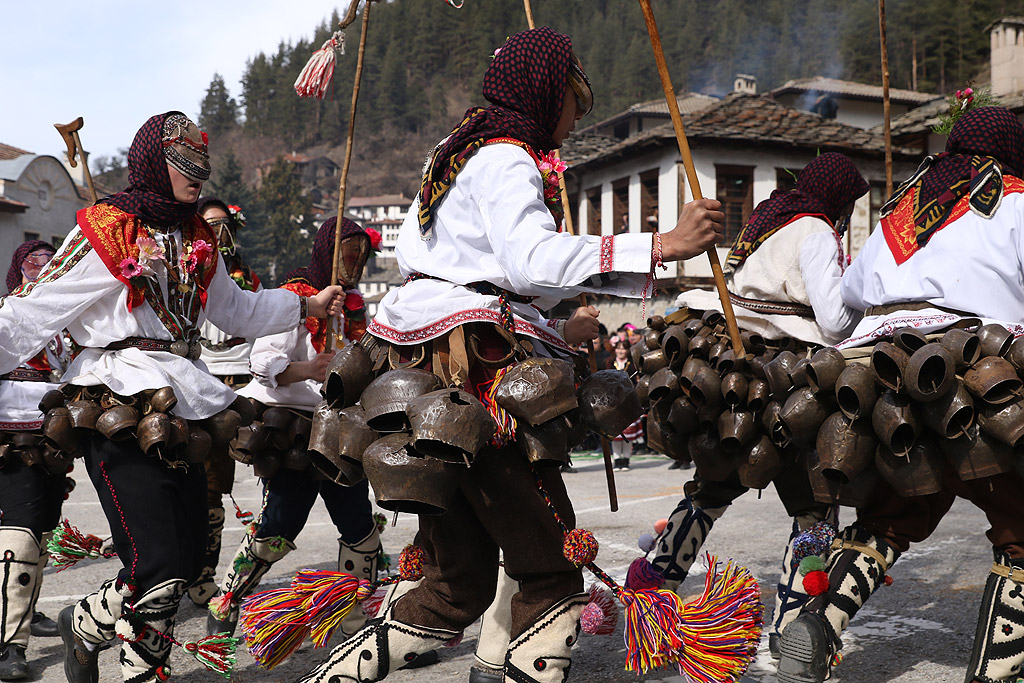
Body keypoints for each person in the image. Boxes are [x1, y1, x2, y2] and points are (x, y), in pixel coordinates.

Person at [296, 26, 724, 683]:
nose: (577, 113)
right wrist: (661, 244)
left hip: (422, 366)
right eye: (573, 95)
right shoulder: (505, 156)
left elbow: (499, 268)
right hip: (478, 371)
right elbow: (529, 261)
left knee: (454, 581)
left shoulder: (456, 150)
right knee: (550, 569)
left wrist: (553, 311)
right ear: (546, 91)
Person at [0, 111, 346, 683]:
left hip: (181, 399)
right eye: (183, 164)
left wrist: (303, 305)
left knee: (183, 563)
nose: (197, 176)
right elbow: (30, 312)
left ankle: (85, 623)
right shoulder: (107, 232)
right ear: (153, 166)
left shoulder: (197, 239)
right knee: (158, 569)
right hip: (116, 397)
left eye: (201, 167)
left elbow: (236, 310)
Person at [777, 107, 1024, 683]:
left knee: (890, 516)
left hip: (878, 376)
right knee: (1020, 522)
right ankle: (996, 672)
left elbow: (851, 299)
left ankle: (822, 621)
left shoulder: (899, 212)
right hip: (972, 369)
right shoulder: (1017, 199)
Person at [654, 152, 869, 656]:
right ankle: (793, 624)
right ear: (838, 198)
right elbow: (835, 322)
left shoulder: (772, 222)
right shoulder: (815, 230)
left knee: (708, 492)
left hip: (736, 372)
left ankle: (649, 594)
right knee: (814, 509)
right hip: (790, 378)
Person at [205, 217, 381, 643]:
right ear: (327, 251)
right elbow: (263, 366)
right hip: (295, 432)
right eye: (347, 251)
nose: (354, 261)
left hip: (341, 432)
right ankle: (226, 601)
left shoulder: (356, 307)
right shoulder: (296, 298)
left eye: (361, 252)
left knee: (360, 529)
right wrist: (311, 367)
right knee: (278, 526)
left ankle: (359, 621)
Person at [0, 242, 73, 680]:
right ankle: (9, 644)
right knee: (21, 536)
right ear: (19, 268)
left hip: (54, 430)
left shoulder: (64, 322)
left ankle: (23, 610)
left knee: (43, 530)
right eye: (35, 262)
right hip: (11, 430)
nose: (43, 269)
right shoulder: (6, 311)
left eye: (51, 263)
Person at [186, 197, 261, 607]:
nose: (218, 233)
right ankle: (177, 565)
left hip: (237, 389)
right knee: (183, 480)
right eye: (209, 225)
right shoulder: (184, 272)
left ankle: (204, 575)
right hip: (191, 383)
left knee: (216, 482)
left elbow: (260, 325)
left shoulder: (247, 279)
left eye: (223, 224)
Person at [605, 339, 640, 470]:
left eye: (623, 348)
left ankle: (626, 459)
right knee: (615, 433)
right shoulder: (609, 363)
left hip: (629, 401)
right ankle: (617, 459)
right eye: (618, 348)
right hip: (613, 402)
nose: (620, 351)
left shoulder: (632, 364)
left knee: (628, 433)